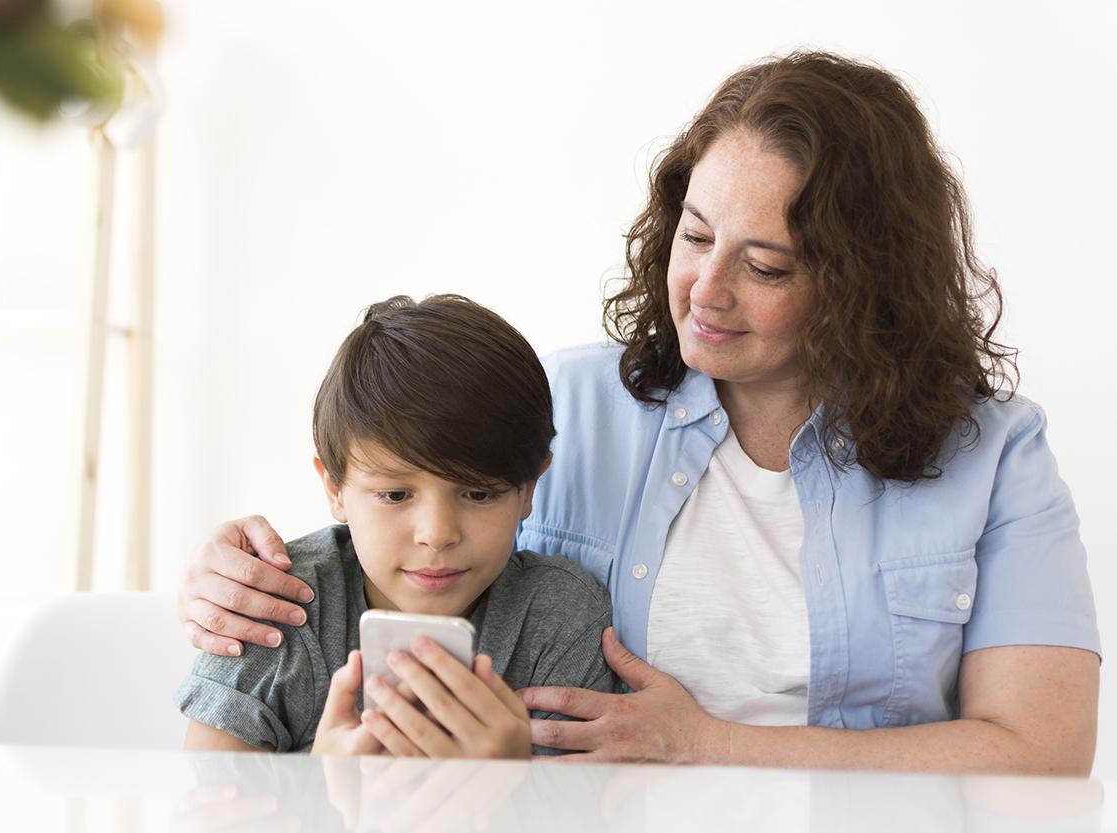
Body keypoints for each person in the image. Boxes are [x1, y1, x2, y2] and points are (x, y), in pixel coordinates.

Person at [175, 51, 1101, 773]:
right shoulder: (566, 403)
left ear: (862, 285)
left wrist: (711, 741)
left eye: (767, 265)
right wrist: (228, 573)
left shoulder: (993, 456)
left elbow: (1042, 751)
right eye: (696, 236)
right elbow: (375, 503)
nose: (706, 289)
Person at [177, 294, 616, 756]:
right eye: (394, 495)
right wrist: (324, 796)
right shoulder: (275, 607)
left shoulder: (559, 616)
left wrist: (512, 783)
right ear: (334, 488)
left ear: (528, 490)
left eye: (479, 493)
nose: (437, 533)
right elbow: (205, 807)